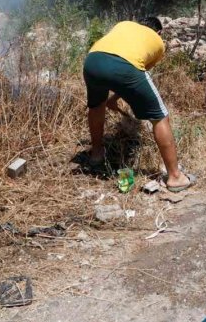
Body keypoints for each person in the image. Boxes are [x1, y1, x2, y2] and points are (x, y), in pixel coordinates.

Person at [83, 17, 194, 192]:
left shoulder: (124, 24)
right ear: (159, 32)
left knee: (97, 106)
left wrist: (113, 99)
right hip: (126, 66)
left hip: (92, 61)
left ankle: (96, 154)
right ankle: (175, 177)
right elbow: (133, 73)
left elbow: (123, 68)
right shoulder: (158, 42)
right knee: (160, 116)